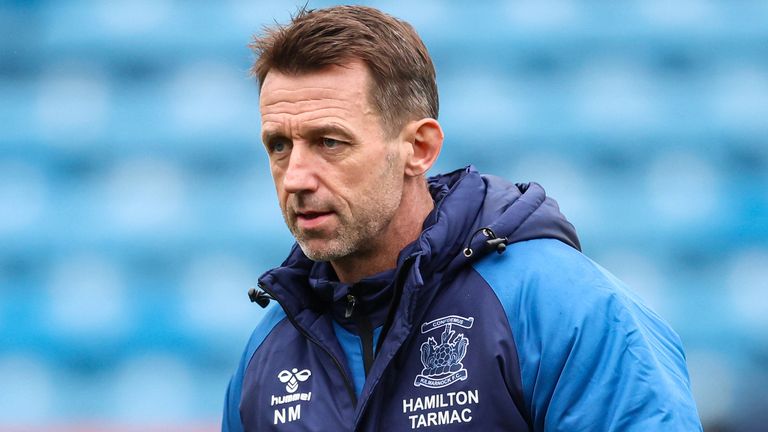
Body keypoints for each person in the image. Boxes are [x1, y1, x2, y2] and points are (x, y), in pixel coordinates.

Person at [223, 5, 702, 431]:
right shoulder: (267, 354)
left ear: (419, 148)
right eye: (279, 146)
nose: (296, 178)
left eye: (330, 142)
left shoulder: (560, 308)